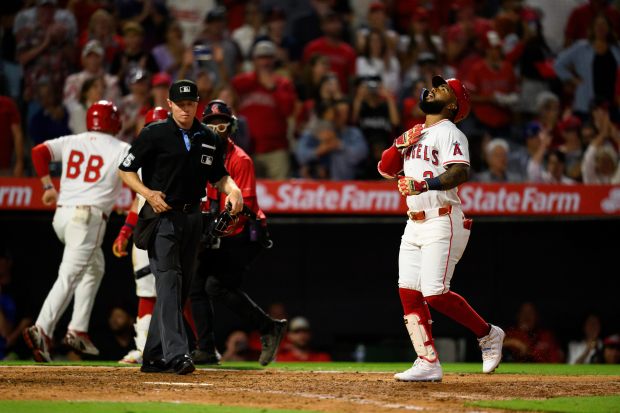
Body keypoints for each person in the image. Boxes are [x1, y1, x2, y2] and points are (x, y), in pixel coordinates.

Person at [377, 75, 505, 382]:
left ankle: (488, 334)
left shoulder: (450, 132)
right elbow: (384, 169)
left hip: (442, 217)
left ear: (451, 105)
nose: (433, 88)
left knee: (434, 292)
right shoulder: (417, 132)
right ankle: (427, 361)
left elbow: (460, 172)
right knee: (408, 292)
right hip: (415, 222)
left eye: (443, 88)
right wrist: (400, 143)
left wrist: (423, 183)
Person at [118, 79, 243, 375]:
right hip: (161, 217)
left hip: (193, 218)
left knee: (181, 288)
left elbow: (218, 176)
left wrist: (234, 190)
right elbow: (125, 170)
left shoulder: (208, 137)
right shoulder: (154, 134)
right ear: (170, 104)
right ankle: (178, 354)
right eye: (181, 104)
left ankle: (153, 356)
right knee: (170, 282)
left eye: (191, 104)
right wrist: (148, 194)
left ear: (197, 103)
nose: (186, 110)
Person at [23, 100, 129, 362]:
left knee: (95, 268)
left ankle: (77, 330)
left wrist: (48, 186)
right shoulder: (121, 147)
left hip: (62, 217)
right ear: (114, 122)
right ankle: (42, 328)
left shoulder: (74, 140)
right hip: (87, 219)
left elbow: (38, 152)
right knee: (69, 275)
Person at [189, 99, 287, 366]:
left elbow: (243, 208)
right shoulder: (200, 155)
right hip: (213, 228)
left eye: (221, 124)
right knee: (195, 285)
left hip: (245, 232)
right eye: (210, 124)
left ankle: (268, 327)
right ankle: (206, 349)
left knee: (215, 286)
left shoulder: (240, 160)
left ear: (230, 127)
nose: (216, 129)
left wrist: (214, 232)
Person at [112, 106, 169, 365]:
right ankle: (145, 347)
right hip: (147, 229)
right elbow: (137, 202)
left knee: (176, 292)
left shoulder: (182, 153)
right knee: (147, 291)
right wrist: (125, 231)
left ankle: (188, 347)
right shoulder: (140, 158)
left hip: (173, 228)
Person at [231, 39, 297, 179]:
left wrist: (272, 88)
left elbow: (288, 111)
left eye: (268, 57)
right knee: (249, 194)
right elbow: (227, 94)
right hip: (248, 150)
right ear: (254, 61)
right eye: (261, 58)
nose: (265, 62)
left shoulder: (283, 84)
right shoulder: (242, 82)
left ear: (274, 60)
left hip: (276, 150)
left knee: (279, 193)